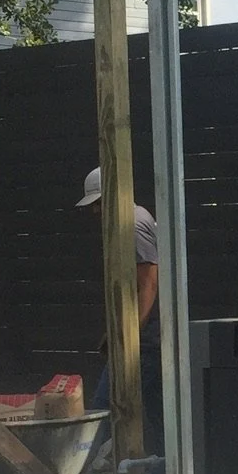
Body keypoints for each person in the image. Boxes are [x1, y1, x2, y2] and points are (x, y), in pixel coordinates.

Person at [78, 166, 164, 452]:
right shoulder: (137, 220)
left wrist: (128, 337)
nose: (96, 212)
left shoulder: (133, 225)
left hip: (147, 337)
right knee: (160, 414)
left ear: (115, 196)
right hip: (152, 333)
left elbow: (148, 284)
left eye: (99, 203)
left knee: (103, 407)